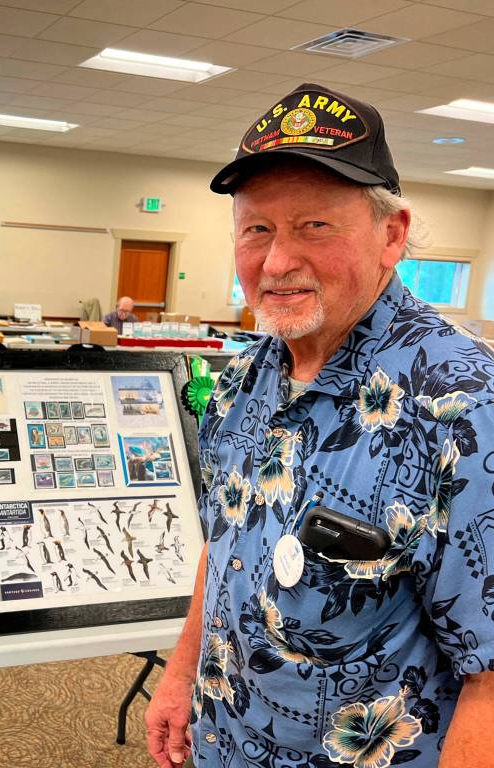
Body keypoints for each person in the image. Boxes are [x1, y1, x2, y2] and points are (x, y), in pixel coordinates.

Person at [146, 83, 494, 768]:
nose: (277, 263)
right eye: (257, 230)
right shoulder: (246, 378)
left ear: (392, 235)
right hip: (227, 744)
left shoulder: (463, 406)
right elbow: (223, 547)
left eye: (315, 227)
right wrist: (183, 673)